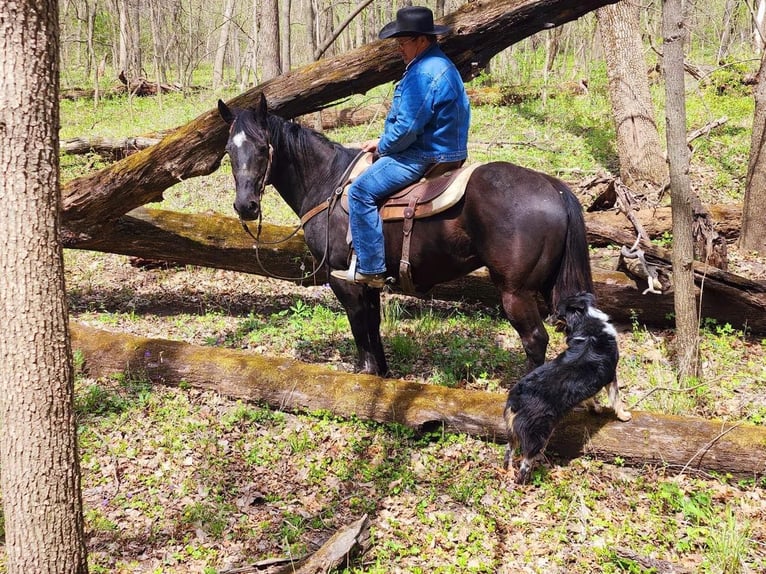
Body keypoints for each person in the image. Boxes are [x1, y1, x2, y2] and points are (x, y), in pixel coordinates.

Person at [330, 6, 470, 288]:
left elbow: (407, 128)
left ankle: (370, 267)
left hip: (423, 154)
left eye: (402, 43)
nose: (399, 49)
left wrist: (382, 145)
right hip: (448, 150)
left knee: (359, 191)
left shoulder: (422, 74)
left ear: (421, 40)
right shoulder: (443, 65)